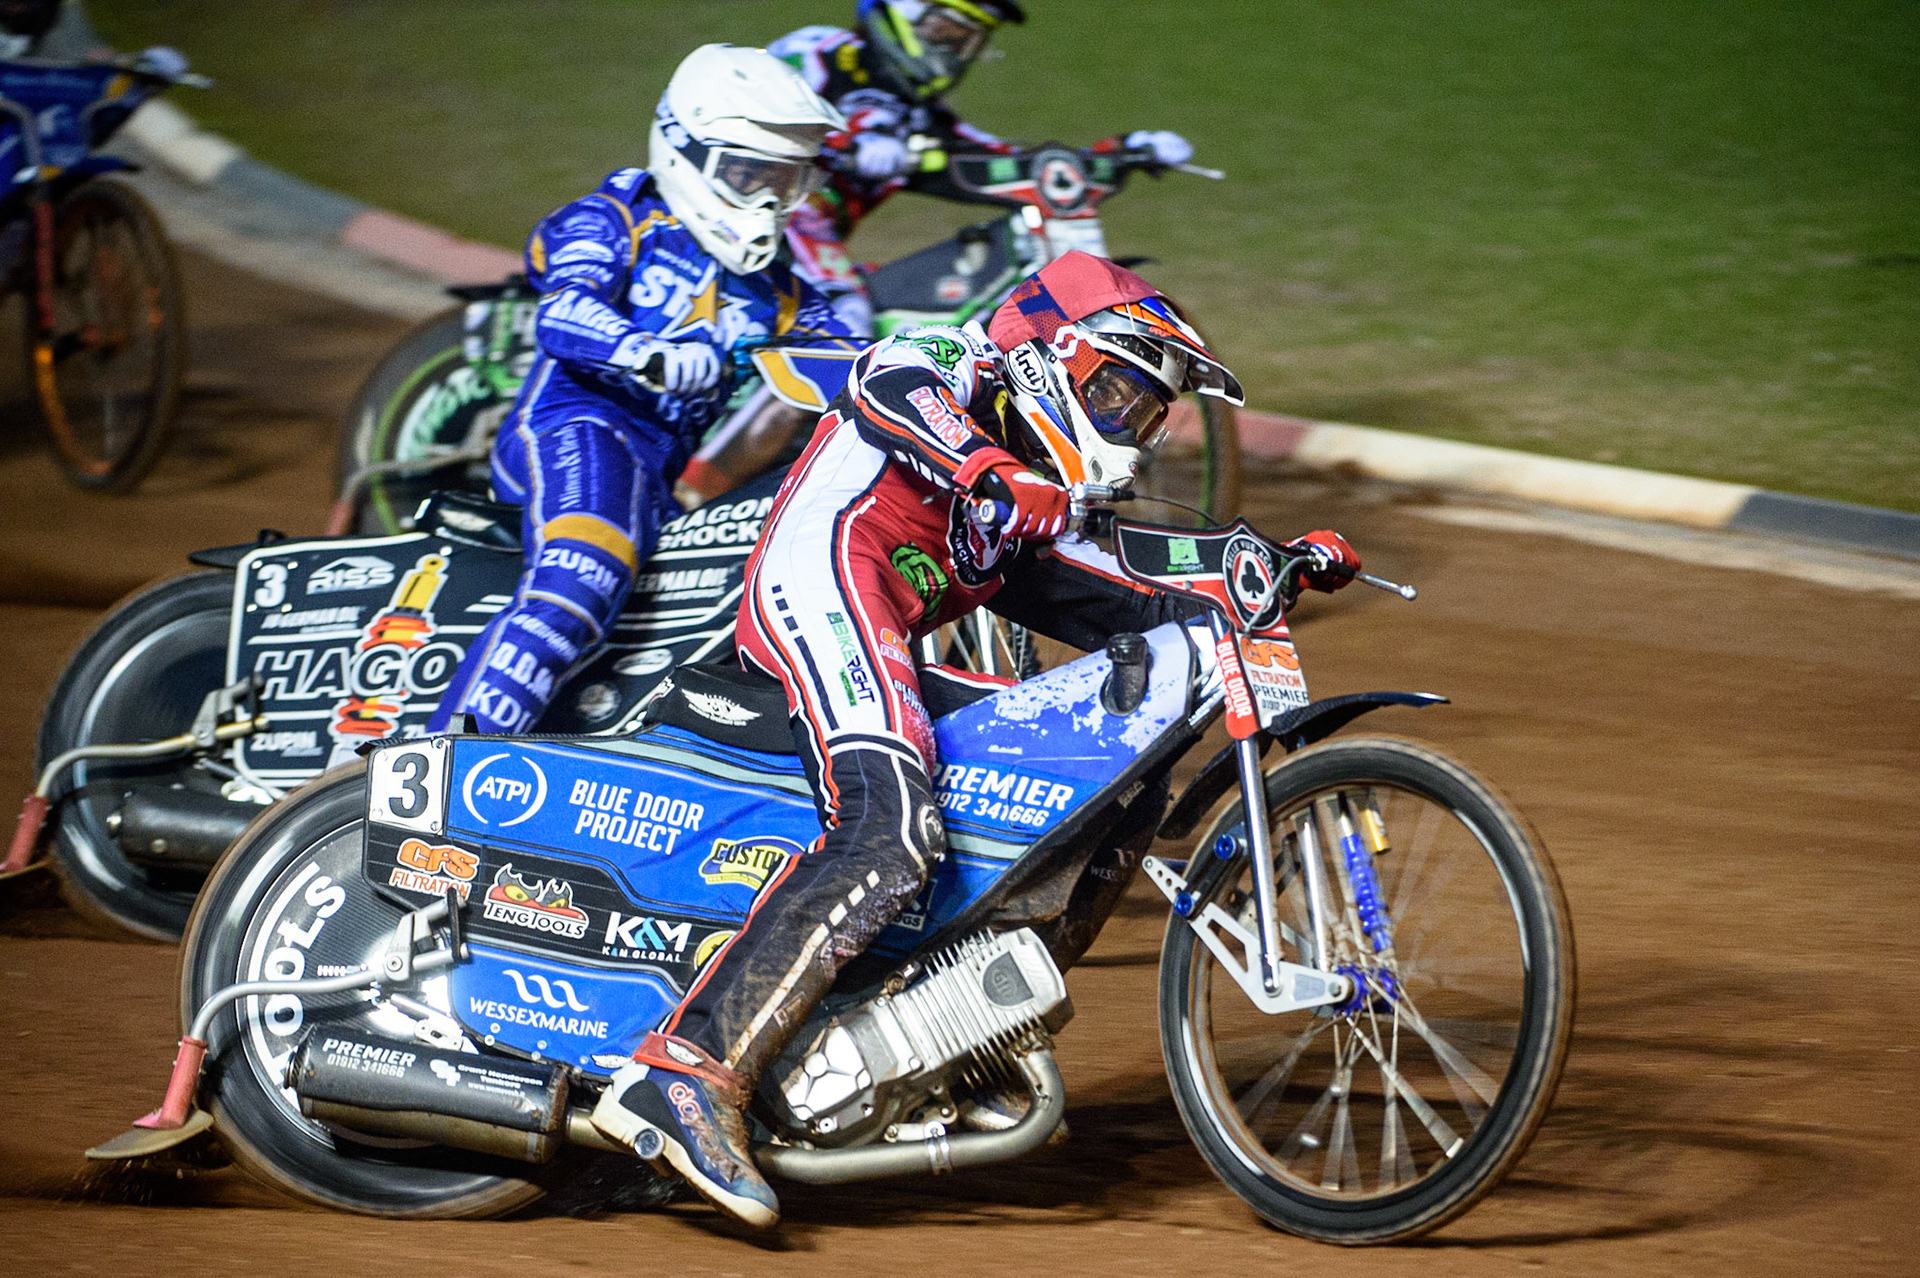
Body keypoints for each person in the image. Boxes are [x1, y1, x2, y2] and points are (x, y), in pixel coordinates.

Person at [591, 251, 1361, 1228]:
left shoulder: (1037, 488)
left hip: (887, 624)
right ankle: (685, 1073)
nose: (1129, 429)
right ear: (1051, 354)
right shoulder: (949, 361)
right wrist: (987, 469)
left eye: (1147, 414)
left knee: (1107, 790)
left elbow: (1121, 579)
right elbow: (890, 391)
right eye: (1118, 395)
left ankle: (951, 1040)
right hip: (823, 587)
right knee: (891, 833)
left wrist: (1258, 563)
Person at [425, 44, 853, 737]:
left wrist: (953, 370)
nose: (769, 202)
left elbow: (850, 361)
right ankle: (438, 756)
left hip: (656, 479)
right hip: (574, 428)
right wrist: (644, 352)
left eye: (787, 180)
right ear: (685, 152)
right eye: (748, 175)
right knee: (584, 574)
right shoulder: (613, 219)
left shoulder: (776, 291)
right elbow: (563, 311)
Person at [768, 2, 1197, 335]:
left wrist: (1118, 151)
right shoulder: (821, 52)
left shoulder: (920, 116)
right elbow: (761, 102)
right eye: (950, 33)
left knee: (891, 316)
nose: (959, 53)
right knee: (848, 320)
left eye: (971, 41)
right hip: (766, 226)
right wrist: (846, 142)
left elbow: (999, 161)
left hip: (811, 251)